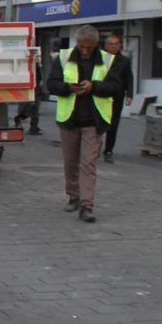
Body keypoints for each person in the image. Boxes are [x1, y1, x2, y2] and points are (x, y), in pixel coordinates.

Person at [46, 25, 122, 224]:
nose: (85, 51)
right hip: (69, 119)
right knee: (70, 161)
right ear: (77, 44)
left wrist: (93, 87)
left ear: (96, 45)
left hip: (94, 121)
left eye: (89, 47)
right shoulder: (63, 58)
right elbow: (51, 84)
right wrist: (68, 87)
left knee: (88, 163)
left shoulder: (108, 60)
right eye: (82, 47)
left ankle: (86, 205)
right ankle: (73, 195)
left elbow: (115, 87)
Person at [102, 34, 134, 164]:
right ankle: (93, 147)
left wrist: (129, 95)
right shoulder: (100, 58)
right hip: (101, 95)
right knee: (98, 123)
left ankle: (108, 151)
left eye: (116, 44)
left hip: (117, 96)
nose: (114, 46)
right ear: (106, 46)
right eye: (111, 44)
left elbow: (129, 78)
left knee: (113, 125)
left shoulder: (124, 61)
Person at [15, 62, 43, 135]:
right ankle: (33, 126)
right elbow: (39, 79)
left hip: (32, 89)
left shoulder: (29, 65)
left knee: (30, 109)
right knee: (33, 109)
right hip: (34, 90)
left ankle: (31, 125)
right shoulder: (34, 65)